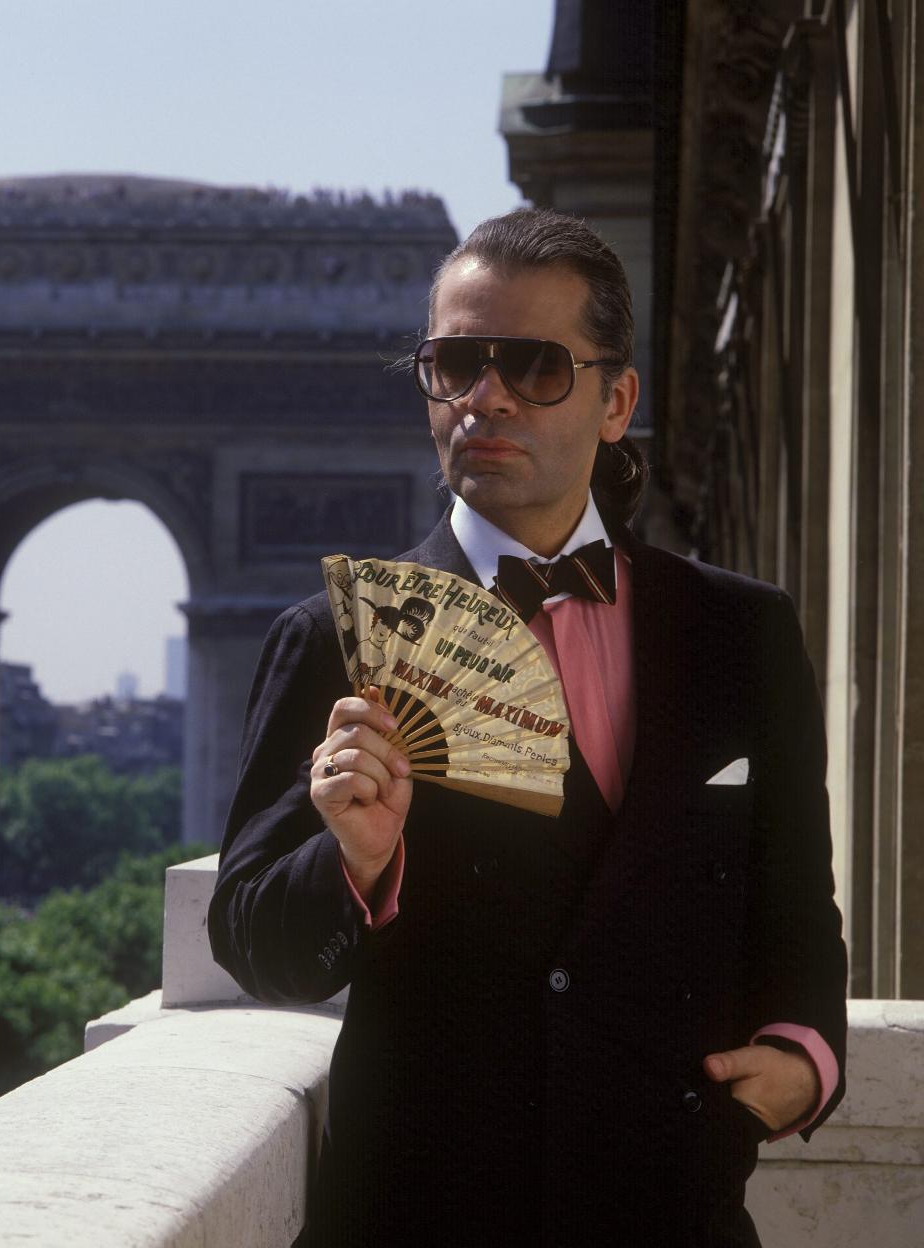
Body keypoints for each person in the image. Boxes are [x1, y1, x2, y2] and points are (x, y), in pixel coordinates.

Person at [207, 209, 847, 1246]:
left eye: (534, 367)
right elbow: (254, 942)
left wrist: (804, 1060)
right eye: (454, 363)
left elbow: (796, 910)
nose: (484, 397)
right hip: (422, 1217)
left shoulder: (745, 634)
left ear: (615, 401)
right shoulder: (333, 638)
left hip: (675, 1209)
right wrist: (355, 864)